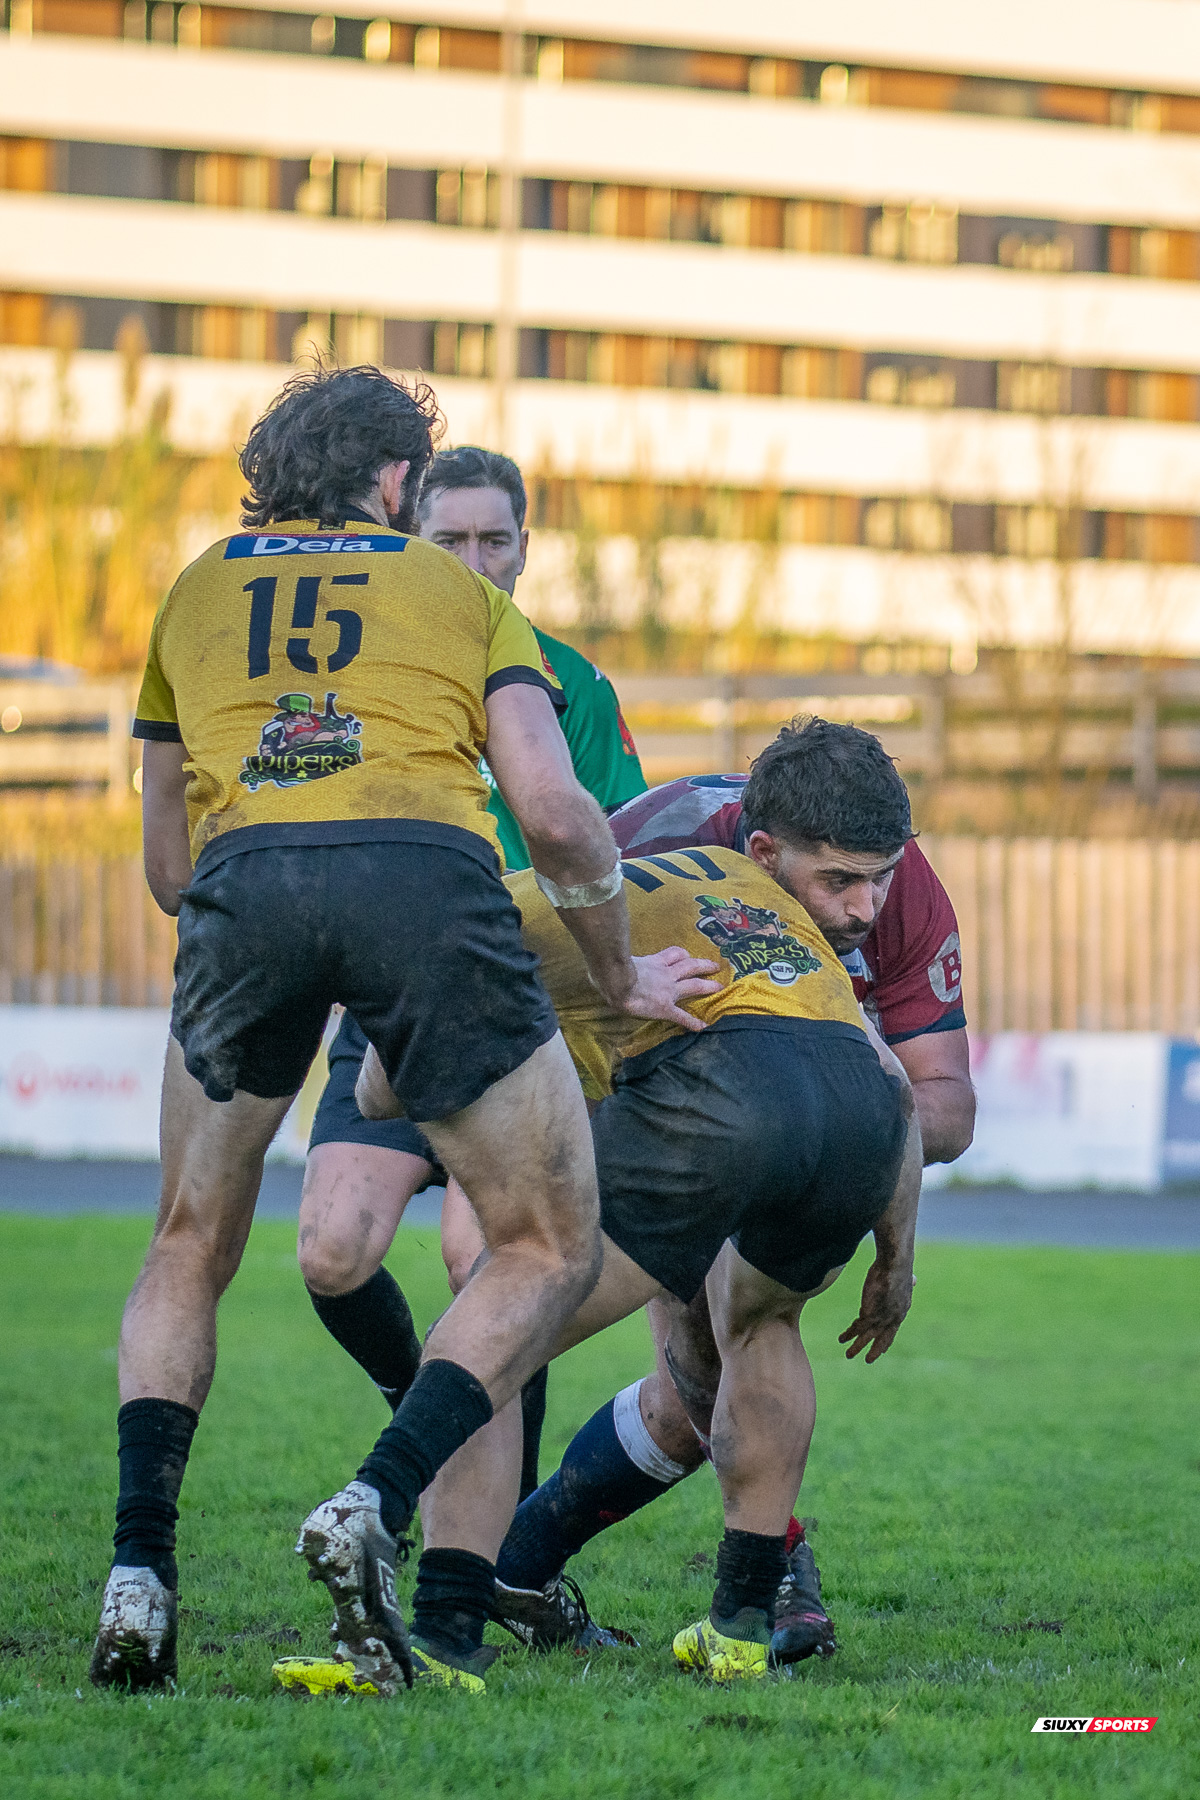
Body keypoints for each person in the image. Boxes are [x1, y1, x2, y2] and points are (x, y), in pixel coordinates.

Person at [91, 365, 710, 1693]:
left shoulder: (193, 591)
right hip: (428, 894)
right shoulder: (462, 596)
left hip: (242, 890)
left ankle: (139, 1569)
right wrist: (615, 970)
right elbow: (557, 816)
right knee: (545, 1245)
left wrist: (261, 914)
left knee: (187, 1243)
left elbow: (165, 860)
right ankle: (377, 1496)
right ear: (393, 482)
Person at [303, 840, 918, 1693]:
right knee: (762, 1324)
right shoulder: (756, 894)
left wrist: (389, 1019)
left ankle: (407, 1566)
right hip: (860, 1118)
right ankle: (740, 1630)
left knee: (495, 1325)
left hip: (725, 1099)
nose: (863, 905)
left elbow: (380, 1096)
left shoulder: (502, 902)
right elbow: (899, 1085)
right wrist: (897, 1259)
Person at [490, 720, 975, 1665]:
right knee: (703, 1372)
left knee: (691, 1401)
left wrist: (823, 1101)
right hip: (658, 1111)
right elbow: (541, 1021)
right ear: (762, 853)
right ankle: (765, 1584)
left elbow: (947, 1107)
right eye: (840, 882)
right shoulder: (646, 851)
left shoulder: (900, 882)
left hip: (810, 1129)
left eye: (880, 876)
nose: (868, 906)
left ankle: (516, 1566)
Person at [296, 445, 647, 1510]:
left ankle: (487, 1556)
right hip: (391, 999)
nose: (474, 559)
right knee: (332, 1255)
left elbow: (622, 841)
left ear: (525, 550)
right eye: (449, 538)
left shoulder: (573, 684)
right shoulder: (358, 674)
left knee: (482, 1259)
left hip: (523, 1007)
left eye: (495, 539)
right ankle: (428, 1412)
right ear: (412, 545)